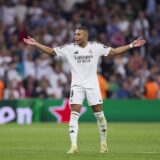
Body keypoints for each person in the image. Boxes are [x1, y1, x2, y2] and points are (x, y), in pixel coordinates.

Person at [23, 26, 145, 154]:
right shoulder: (69, 48)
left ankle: (103, 143)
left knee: (99, 116)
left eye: (79, 35)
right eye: (75, 34)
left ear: (85, 36)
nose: (76, 37)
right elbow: (51, 51)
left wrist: (131, 45)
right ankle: (73, 146)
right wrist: (36, 44)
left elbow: (114, 51)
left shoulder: (96, 47)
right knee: (74, 114)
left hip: (93, 86)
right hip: (77, 86)